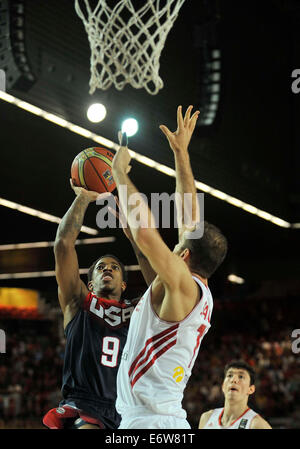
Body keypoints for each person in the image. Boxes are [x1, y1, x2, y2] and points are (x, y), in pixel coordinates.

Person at [112, 105, 228, 429]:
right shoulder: (191, 287)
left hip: (152, 425)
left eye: (179, 243)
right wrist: (181, 153)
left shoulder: (183, 285)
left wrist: (119, 174)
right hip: (157, 421)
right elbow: (188, 211)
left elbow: (147, 235)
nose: (176, 240)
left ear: (185, 256)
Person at [42, 181, 154, 429]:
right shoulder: (78, 301)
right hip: (84, 404)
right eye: (101, 267)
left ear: (124, 285)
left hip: (126, 409)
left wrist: (135, 236)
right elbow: (62, 244)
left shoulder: (136, 309)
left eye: (114, 267)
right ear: (89, 284)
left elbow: (161, 285)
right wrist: (82, 197)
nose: (108, 269)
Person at [198, 360, 272, 429]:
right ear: (223, 386)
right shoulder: (207, 418)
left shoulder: (257, 425)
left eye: (241, 376)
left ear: (251, 389)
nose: (234, 380)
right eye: (230, 375)